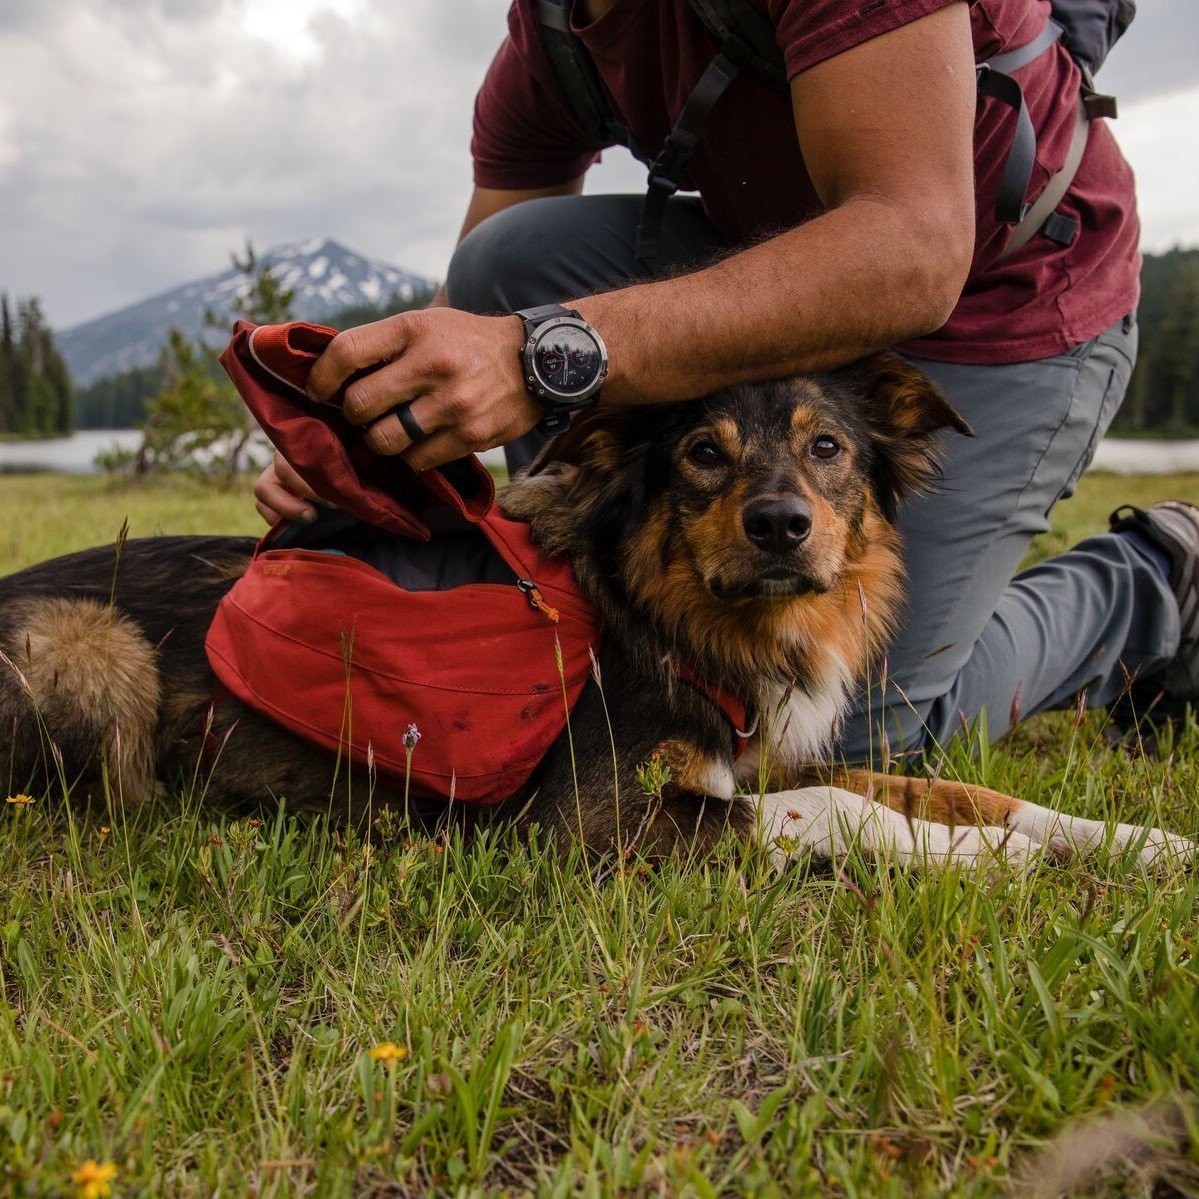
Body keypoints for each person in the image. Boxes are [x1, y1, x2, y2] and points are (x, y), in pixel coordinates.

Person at [253, 0, 1198, 761]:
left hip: (1003, 301)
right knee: (512, 261)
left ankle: (1155, 576)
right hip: (798, 281)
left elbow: (913, 250)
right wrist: (374, 442)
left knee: (854, 734)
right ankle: (591, 619)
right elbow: (479, 306)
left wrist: (548, 353)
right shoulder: (548, 34)